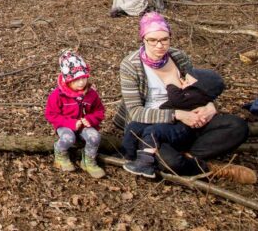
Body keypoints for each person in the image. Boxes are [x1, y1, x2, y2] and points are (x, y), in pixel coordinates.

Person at [114, 12, 254, 183]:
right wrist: (178, 115)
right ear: (143, 39)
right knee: (169, 161)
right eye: (153, 40)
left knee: (237, 126)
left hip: (188, 118)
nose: (159, 45)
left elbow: (198, 89)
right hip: (152, 124)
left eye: (164, 39)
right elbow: (135, 112)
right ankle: (212, 168)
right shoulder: (130, 65)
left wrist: (210, 107)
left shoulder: (179, 57)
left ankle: (188, 156)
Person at [122, 68, 225, 177]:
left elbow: (177, 99)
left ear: (199, 88)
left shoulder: (196, 95)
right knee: (134, 125)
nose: (183, 82)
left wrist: (171, 83)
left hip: (179, 127)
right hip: (163, 119)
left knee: (152, 132)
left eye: (187, 81)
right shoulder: (194, 94)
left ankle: (145, 163)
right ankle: (127, 154)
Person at [45, 50, 106, 178]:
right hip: (65, 125)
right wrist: (70, 123)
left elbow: (99, 111)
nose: (81, 83)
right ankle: (60, 154)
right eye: (76, 80)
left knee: (95, 137)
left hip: (85, 125)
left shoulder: (91, 94)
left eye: (84, 78)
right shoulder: (57, 95)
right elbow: (51, 115)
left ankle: (89, 160)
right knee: (68, 138)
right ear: (67, 80)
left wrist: (90, 119)